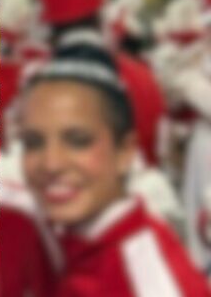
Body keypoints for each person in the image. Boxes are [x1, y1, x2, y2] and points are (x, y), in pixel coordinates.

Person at [19, 47, 210, 296]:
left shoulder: (147, 276)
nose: (51, 163)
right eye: (34, 141)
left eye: (79, 140)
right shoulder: (67, 237)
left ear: (124, 151)